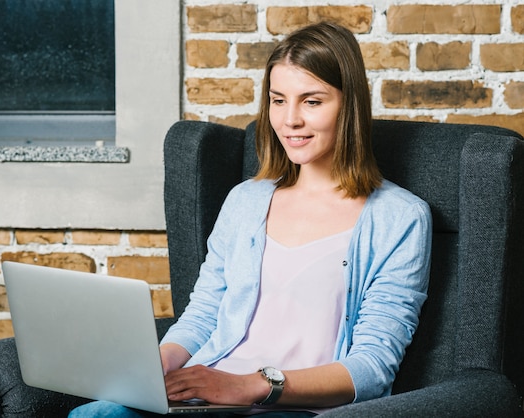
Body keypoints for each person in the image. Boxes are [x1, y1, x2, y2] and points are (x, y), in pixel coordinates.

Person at [69, 21, 432, 417]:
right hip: (206, 397)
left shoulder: (400, 218)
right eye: (278, 100)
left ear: (349, 105)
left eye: (312, 101)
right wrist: (160, 362)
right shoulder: (245, 200)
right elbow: (205, 313)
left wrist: (249, 386)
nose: (290, 120)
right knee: (97, 414)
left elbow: (373, 367)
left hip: (293, 407)